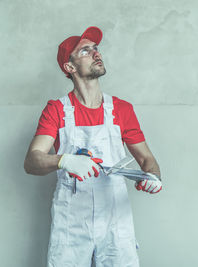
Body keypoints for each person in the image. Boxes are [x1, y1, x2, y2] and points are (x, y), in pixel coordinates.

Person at [23, 26, 162, 267]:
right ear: (70, 67)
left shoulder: (121, 109)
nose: (96, 53)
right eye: (86, 50)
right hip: (71, 224)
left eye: (96, 48)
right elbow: (32, 161)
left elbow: (147, 160)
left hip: (115, 222)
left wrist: (154, 177)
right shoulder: (57, 110)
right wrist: (64, 160)